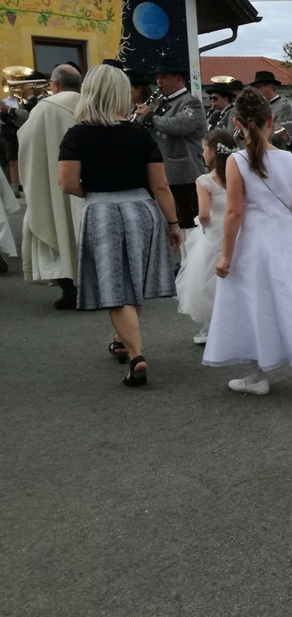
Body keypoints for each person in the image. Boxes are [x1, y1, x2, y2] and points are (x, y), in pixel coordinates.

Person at [202, 87, 292, 399]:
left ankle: (257, 374)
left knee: (252, 301)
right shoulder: (288, 158)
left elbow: (235, 212)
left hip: (252, 239)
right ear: (271, 122)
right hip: (283, 234)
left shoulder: (236, 160)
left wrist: (225, 255)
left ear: (237, 124)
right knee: (290, 294)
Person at [56, 65, 181, 386]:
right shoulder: (140, 134)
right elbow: (160, 185)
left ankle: (136, 354)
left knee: (115, 288)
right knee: (133, 280)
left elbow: (67, 183)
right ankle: (121, 340)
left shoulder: (77, 134)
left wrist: (97, 192)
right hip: (142, 209)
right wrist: (174, 223)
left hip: (102, 212)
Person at [18, 64, 83, 309]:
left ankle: (70, 290)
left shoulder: (44, 108)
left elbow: (27, 141)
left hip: (53, 181)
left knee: (59, 228)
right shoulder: (91, 104)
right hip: (87, 183)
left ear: (55, 85)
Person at [176, 129, 236, 344]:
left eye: (203, 149)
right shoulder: (238, 176)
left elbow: (203, 214)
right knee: (235, 276)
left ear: (212, 151)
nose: (202, 154)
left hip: (214, 233)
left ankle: (211, 326)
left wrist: (202, 226)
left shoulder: (205, 180)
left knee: (207, 281)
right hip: (235, 230)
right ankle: (234, 322)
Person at [134, 57, 207, 234]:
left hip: (184, 175)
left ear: (178, 79)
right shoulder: (162, 103)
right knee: (170, 224)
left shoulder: (190, 102)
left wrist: (151, 117)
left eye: (164, 77)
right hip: (164, 173)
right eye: (157, 78)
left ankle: (190, 251)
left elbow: (180, 125)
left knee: (189, 224)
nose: (159, 82)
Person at [250, 71, 292, 150]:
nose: (256, 91)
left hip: (278, 151)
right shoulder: (261, 106)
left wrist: (255, 131)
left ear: (270, 87)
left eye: (259, 87)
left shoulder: (283, 106)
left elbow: (280, 134)